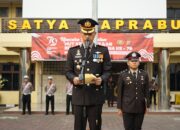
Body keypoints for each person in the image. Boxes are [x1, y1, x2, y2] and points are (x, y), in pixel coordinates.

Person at [65, 18, 112, 130]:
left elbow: (108, 71)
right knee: (79, 127)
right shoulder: (72, 51)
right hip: (79, 96)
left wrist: (101, 79)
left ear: (94, 34)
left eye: (90, 34)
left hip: (95, 96)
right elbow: (68, 71)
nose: (87, 37)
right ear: (80, 33)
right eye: (85, 34)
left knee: (95, 127)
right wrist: (74, 78)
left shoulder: (102, 51)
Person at [117, 51, 150, 130]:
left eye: (136, 61)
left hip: (140, 107)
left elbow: (146, 91)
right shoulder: (123, 75)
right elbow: (120, 92)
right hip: (127, 108)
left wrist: (147, 106)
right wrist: (119, 108)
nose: (134, 63)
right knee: (128, 128)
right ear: (128, 63)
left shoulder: (144, 74)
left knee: (138, 128)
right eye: (132, 61)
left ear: (139, 62)